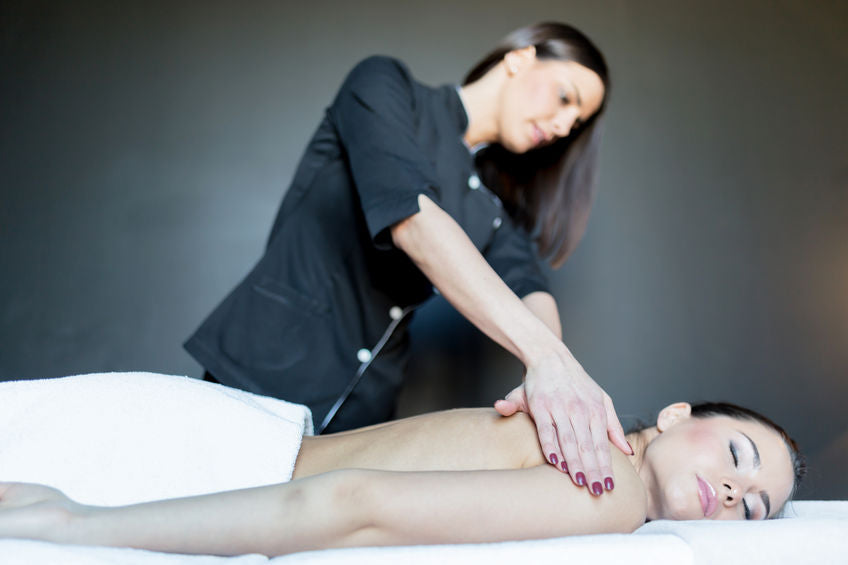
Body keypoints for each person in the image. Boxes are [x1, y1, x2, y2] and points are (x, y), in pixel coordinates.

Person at [184, 21, 628, 494]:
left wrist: (555, 373)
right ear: (519, 59)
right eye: (566, 97)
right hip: (264, 367)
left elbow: (530, 288)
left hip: (364, 419)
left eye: (576, 123)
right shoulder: (384, 86)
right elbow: (412, 220)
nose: (563, 125)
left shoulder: (492, 210)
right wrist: (547, 359)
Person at [0, 393, 805, 557]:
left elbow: (358, 499)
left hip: (225, 436)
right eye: (736, 453)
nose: (737, 493)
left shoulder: (612, 483)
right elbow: (357, 504)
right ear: (675, 414)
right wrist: (78, 524)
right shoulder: (610, 472)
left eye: (756, 508)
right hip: (204, 455)